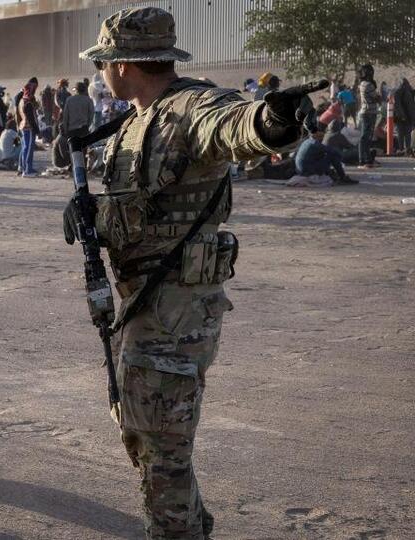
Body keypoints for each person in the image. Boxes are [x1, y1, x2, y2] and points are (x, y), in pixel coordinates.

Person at [63, 7, 328, 538]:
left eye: (102, 62)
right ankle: (192, 525)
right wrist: (93, 213)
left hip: (177, 308)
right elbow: (145, 201)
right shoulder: (137, 117)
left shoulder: (191, 105)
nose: (99, 72)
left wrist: (269, 120)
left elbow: (232, 125)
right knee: (143, 433)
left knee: (164, 450)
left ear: (123, 64)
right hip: (142, 303)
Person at [357, 64, 380, 168]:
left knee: (367, 137)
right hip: (368, 113)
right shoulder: (368, 85)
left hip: (367, 112)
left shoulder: (363, 83)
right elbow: (377, 98)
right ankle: (363, 160)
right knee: (365, 137)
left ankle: (367, 159)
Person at [18, 77, 40, 177]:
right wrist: (37, 130)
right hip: (29, 127)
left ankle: (23, 168)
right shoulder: (28, 102)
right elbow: (31, 118)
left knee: (25, 147)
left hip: (23, 126)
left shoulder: (22, 100)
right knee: (28, 148)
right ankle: (27, 170)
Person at [392, 78, 415, 156]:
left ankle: (403, 149)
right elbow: (408, 106)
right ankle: (405, 149)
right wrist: (403, 116)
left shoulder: (398, 91)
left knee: (402, 133)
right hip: (404, 116)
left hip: (402, 116)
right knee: (405, 133)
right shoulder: (405, 92)